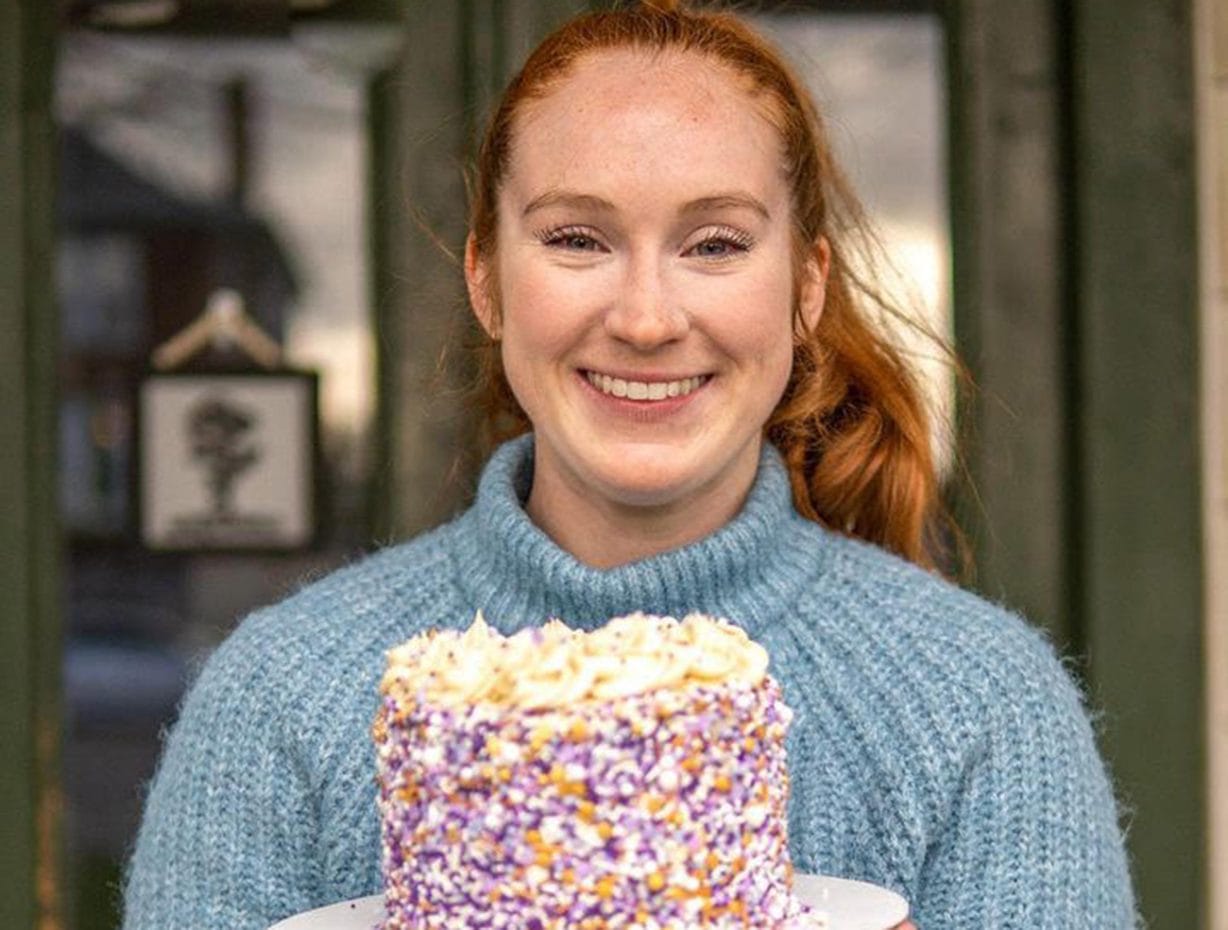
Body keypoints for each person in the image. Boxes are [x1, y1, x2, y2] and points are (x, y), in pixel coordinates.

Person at [122, 2, 1137, 928]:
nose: (647, 318)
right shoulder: (285, 696)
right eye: (576, 238)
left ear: (806, 288)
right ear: (486, 281)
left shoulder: (978, 706)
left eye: (714, 244)